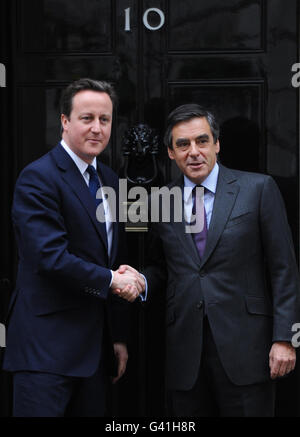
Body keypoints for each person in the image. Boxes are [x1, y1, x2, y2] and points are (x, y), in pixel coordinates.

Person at [119, 103, 300, 417]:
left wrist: (284, 338)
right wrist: (142, 280)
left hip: (249, 350)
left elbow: (283, 268)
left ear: (217, 144)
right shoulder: (161, 200)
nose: (194, 151)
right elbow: (163, 266)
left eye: (202, 141)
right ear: (171, 153)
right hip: (184, 354)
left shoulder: (258, 189)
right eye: (183, 144)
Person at [2, 78, 144, 417]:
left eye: (105, 120)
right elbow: (50, 257)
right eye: (87, 118)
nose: (97, 128)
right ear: (65, 121)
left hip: (95, 352)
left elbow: (111, 253)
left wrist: (118, 336)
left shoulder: (109, 179)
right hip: (45, 352)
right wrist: (113, 281)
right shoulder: (38, 177)